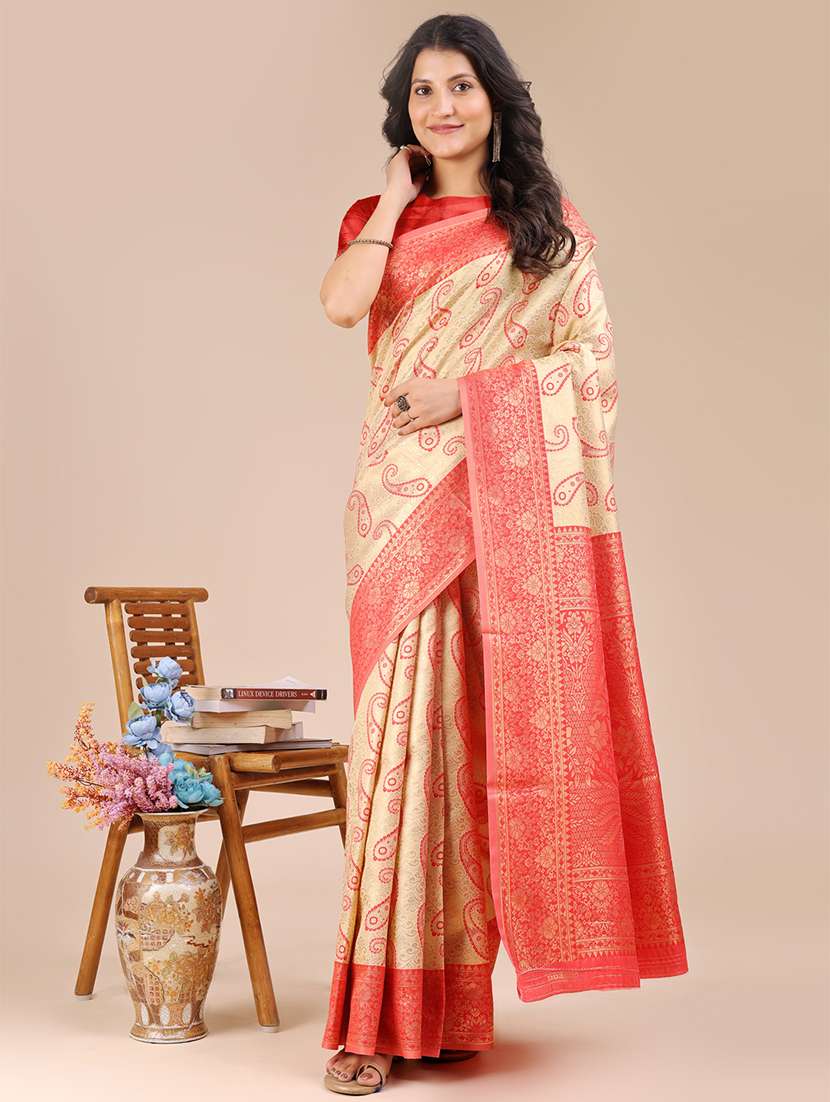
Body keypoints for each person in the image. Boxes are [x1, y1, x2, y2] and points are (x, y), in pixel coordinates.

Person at [318, 14, 688, 1095]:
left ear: (495, 101)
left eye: (462, 87)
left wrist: (466, 399)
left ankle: (444, 1007)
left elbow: (593, 372)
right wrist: (390, 203)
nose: (443, 107)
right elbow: (340, 306)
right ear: (404, 112)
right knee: (397, 752)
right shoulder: (373, 221)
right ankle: (370, 1019)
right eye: (423, 91)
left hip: (496, 509)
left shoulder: (543, 228)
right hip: (397, 511)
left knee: (470, 754)